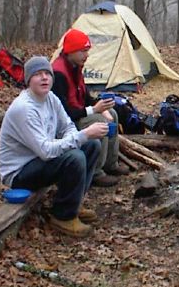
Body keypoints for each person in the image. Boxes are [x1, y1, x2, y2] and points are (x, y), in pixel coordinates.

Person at [0, 56, 109, 237]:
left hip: (39, 160)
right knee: (75, 156)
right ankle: (63, 216)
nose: (44, 78)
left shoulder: (50, 98)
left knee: (92, 145)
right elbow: (46, 151)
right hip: (19, 172)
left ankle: (75, 202)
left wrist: (81, 137)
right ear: (28, 81)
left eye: (47, 74)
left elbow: (67, 126)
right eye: (38, 75)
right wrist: (83, 135)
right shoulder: (24, 109)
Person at [52, 28, 127, 187]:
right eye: (83, 51)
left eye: (87, 51)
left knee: (112, 113)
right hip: (68, 124)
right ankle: (95, 172)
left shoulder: (75, 68)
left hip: (78, 114)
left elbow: (85, 97)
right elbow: (64, 114)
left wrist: (102, 106)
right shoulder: (58, 74)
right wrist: (94, 110)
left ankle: (110, 163)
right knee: (99, 120)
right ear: (71, 51)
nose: (87, 56)